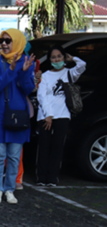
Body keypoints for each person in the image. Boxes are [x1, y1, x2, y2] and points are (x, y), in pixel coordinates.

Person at [0, 29, 36, 205]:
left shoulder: (26, 61)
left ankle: (10, 189)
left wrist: (23, 71)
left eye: (8, 40)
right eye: (2, 40)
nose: (4, 44)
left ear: (17, 42)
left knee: (14, 156)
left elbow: (28, 89)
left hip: (18, 115)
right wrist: (13, 69)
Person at [36, 46, 86, 186]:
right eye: (53, 57)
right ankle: (41, 177)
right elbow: (42, 96)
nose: (56, 59)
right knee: (44, 146)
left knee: (57, 147)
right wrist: (49, 115)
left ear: (63, 57)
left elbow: (82, 65)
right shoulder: (45, 76)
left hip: (63, 115)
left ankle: (52, 177)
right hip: (45, 116)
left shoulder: (69, 73)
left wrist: (73, 58)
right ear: (50, 59)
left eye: (59, 56)